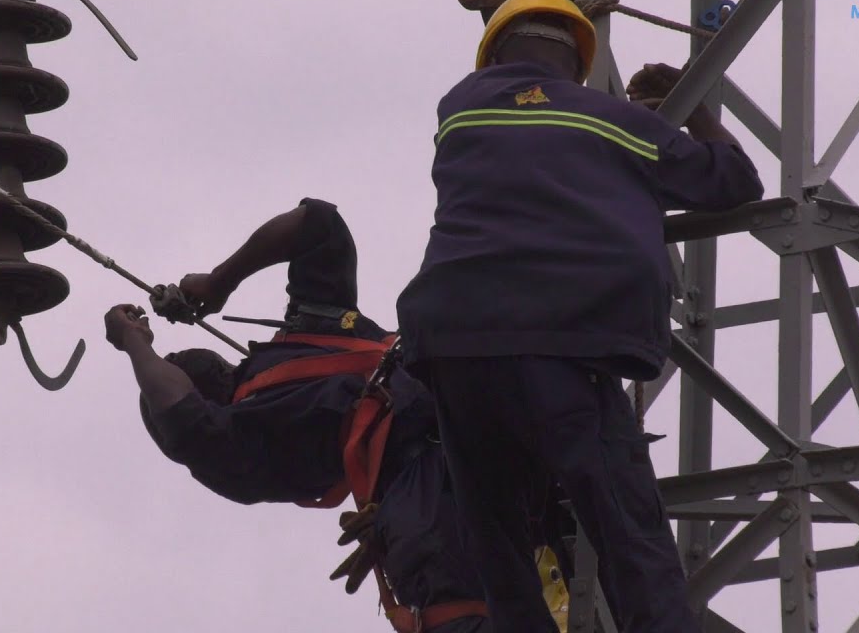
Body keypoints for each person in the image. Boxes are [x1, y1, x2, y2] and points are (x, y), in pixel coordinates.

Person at [395, 0, 765, 633]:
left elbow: (546, 145)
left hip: (453, 341)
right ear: (579, 62)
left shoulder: (457, 110)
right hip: (560, 340)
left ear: (491, 61)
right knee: (628, 538)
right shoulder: (618, 125)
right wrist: (692, 110)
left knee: (498, 545)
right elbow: (731, 182)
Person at [104, 199, 572, 632]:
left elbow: (318, 224)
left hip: (466, 426)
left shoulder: (294, 352)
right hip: (459, 445)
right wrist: (140, 346)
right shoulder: (245, 434)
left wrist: (217, 284)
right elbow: (184, 421)